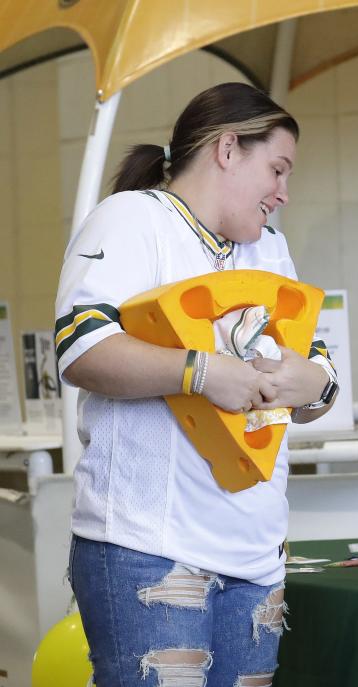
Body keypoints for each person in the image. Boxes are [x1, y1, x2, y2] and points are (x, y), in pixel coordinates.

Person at [55, 82, 338, 685]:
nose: (283, 193)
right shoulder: (131, 218)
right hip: (148, 548)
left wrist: (311, 380)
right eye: (277, 169)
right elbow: (82, 349)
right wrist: (203, 372)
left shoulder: (271, 252)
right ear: (228, 148)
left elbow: (315, 375)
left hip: (256, 554)